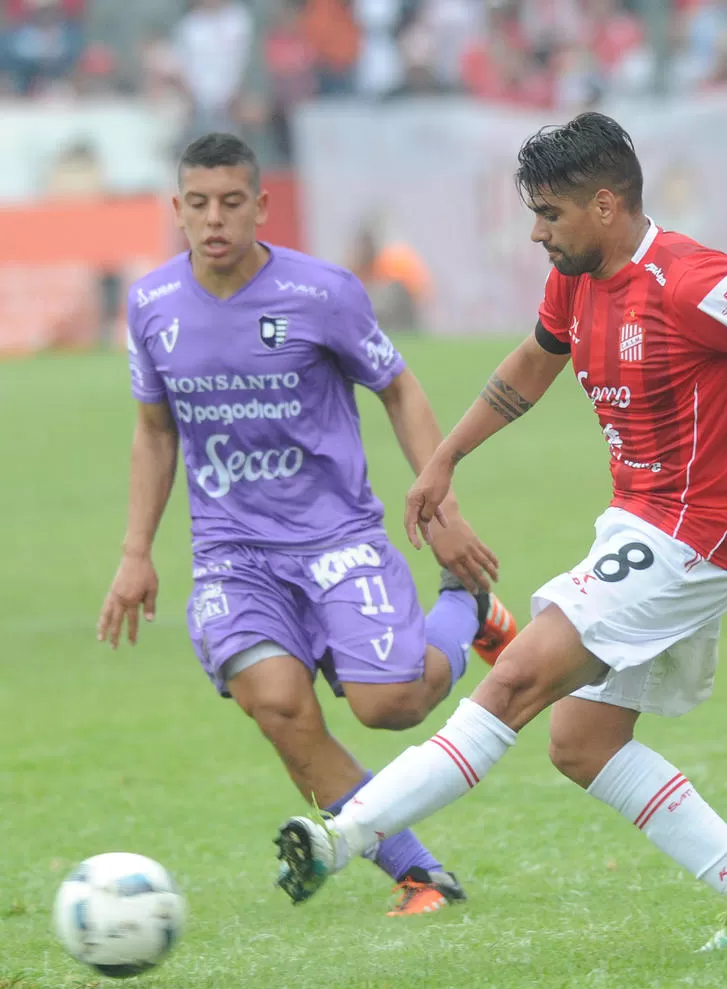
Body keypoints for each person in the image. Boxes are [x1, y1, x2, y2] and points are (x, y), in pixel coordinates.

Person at [274, 112, 727, 949]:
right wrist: (446, 460)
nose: (537, 232)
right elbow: (532, 364)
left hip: (696, 535)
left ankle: (340, 838)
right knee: (581, 742)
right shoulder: (577, 277)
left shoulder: (693, 282)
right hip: (640, 529)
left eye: (550, 214)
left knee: (511, 684)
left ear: (606, 206)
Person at [97, 133, 517, 917]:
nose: (213, 220)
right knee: (281, 709)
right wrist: (134, 552)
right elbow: (155, 430)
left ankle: (466, 606)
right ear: (177, 210)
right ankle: (418, 874)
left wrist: (442, 505)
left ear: (261, 206)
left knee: (391, 705)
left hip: (337, 540)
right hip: (233, 557)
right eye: (197, 204)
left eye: (230, 203)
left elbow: (399, 387)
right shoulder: (152, 306)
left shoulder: (323, 293)